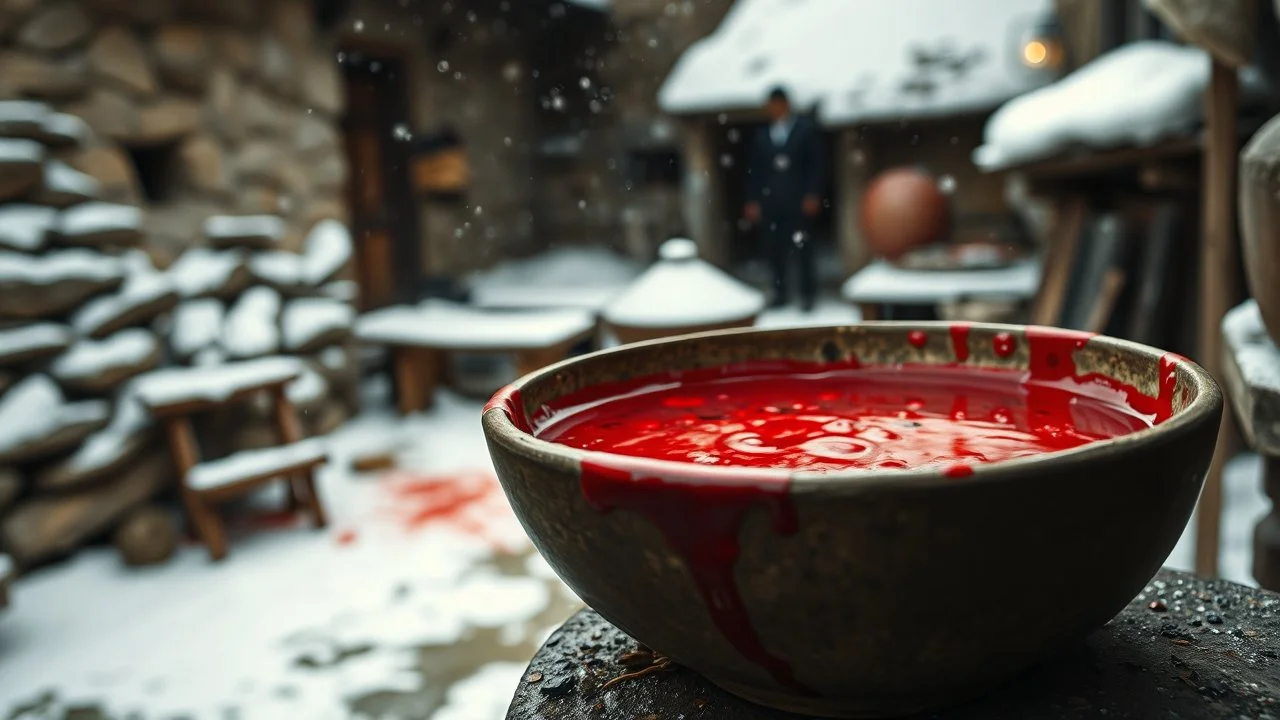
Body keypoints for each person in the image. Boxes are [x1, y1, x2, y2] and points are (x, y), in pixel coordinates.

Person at [743, 86, 827, 312]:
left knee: (803, 247)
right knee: (774, 249)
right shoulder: (762, 135)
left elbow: (815, 165)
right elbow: (756, 170)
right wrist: (753, 200)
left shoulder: (805, 130)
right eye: (771, 105)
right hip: (771, 202)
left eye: (778, 104)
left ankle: (807, 294)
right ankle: (780, 293)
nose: (774, 109)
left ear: (786, 104)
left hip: (798, 200)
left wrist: (812, 194)